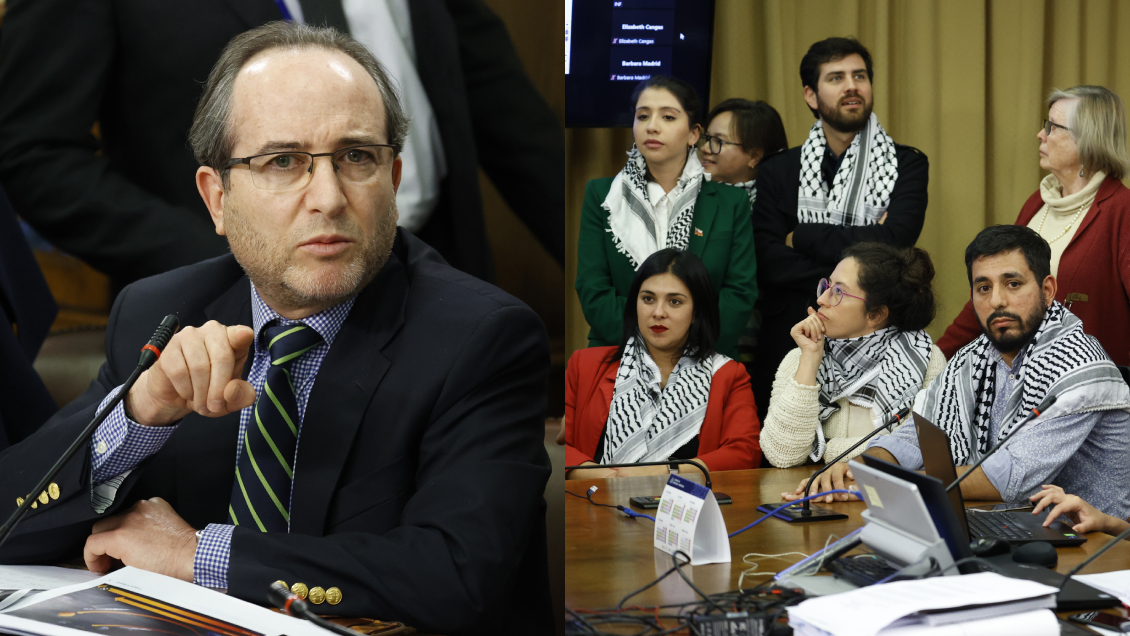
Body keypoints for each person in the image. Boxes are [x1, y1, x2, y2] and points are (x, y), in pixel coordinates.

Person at [0, 23, 552, 636]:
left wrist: (196, 555)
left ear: (394, 182)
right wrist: (138, 411)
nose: (328, 197)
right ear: (217, 200)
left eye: (357, 157)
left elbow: (457, 576)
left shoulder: (481, 337)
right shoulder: (160, 312)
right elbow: (8, 521)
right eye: (283, 161)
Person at [0, 0, 563, 288]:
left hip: (441, 275)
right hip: (234, 313)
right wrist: (235, 258)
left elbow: (509, 120)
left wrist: (634, 271)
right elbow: (35, 152)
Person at [789, 226, 1130, 518]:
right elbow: (918, 434)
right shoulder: (973, 357)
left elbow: (1013, 475)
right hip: (1010, 527)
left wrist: (888, 482)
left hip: (1095, 549)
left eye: (1013, 284)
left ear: (1047, 290)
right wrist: (865, 466)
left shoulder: (1078, 365)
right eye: (984, 288)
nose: (997, 300)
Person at [750, 37, 929, 420]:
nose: (852, 86)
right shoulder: (778, 170)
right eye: (836, 77)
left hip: (877, 343)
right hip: (787, 338)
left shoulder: (908, 165)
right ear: (811, 95)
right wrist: (858, 269)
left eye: (859, 75)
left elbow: (895, 244)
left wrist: (801, 237)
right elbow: (768, 261)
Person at [938, 85, 1130, 366]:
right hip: (1022, 378)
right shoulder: (1038, 203)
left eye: (1052, 127)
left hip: (1091, 386)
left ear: (1087, 139)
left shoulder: (1122, 210)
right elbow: (994, 289)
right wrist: (937, 357)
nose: (1041, 134)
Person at [575, 76, 757, 360]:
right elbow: (592, 287)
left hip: (707, 357)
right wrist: (651, 347)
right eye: (643, 115)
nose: (652, 126)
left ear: (694, 134)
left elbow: (740, 292)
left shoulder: (730, 202)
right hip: (618, 354)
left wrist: (687, 346)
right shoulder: (602, 195)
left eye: (668, 117)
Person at [563, 249, 761, 479]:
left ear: (697, 311)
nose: (658, 313)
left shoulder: (728, 374)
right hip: (595, 503)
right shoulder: (584, 365)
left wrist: (664, 471)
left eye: (675, 302)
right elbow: (560, 448)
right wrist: (606, 479)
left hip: (686, 507)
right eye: (648, 299)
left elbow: (745, 453)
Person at [762, 243, 945, 471]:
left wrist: (826, 450)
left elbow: (917, 449)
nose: (821, 299)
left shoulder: (923, 359)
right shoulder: (798, 357)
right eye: (827, 286)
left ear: (875, 314)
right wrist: (809, 360)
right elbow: (781, 455)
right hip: (808, 496)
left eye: (838, 292)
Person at [698, 98, 788, 205]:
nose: (705, 148)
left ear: (754, 157)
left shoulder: (769, 211)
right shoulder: (690, 195)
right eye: (707, 138)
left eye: (719, 141)